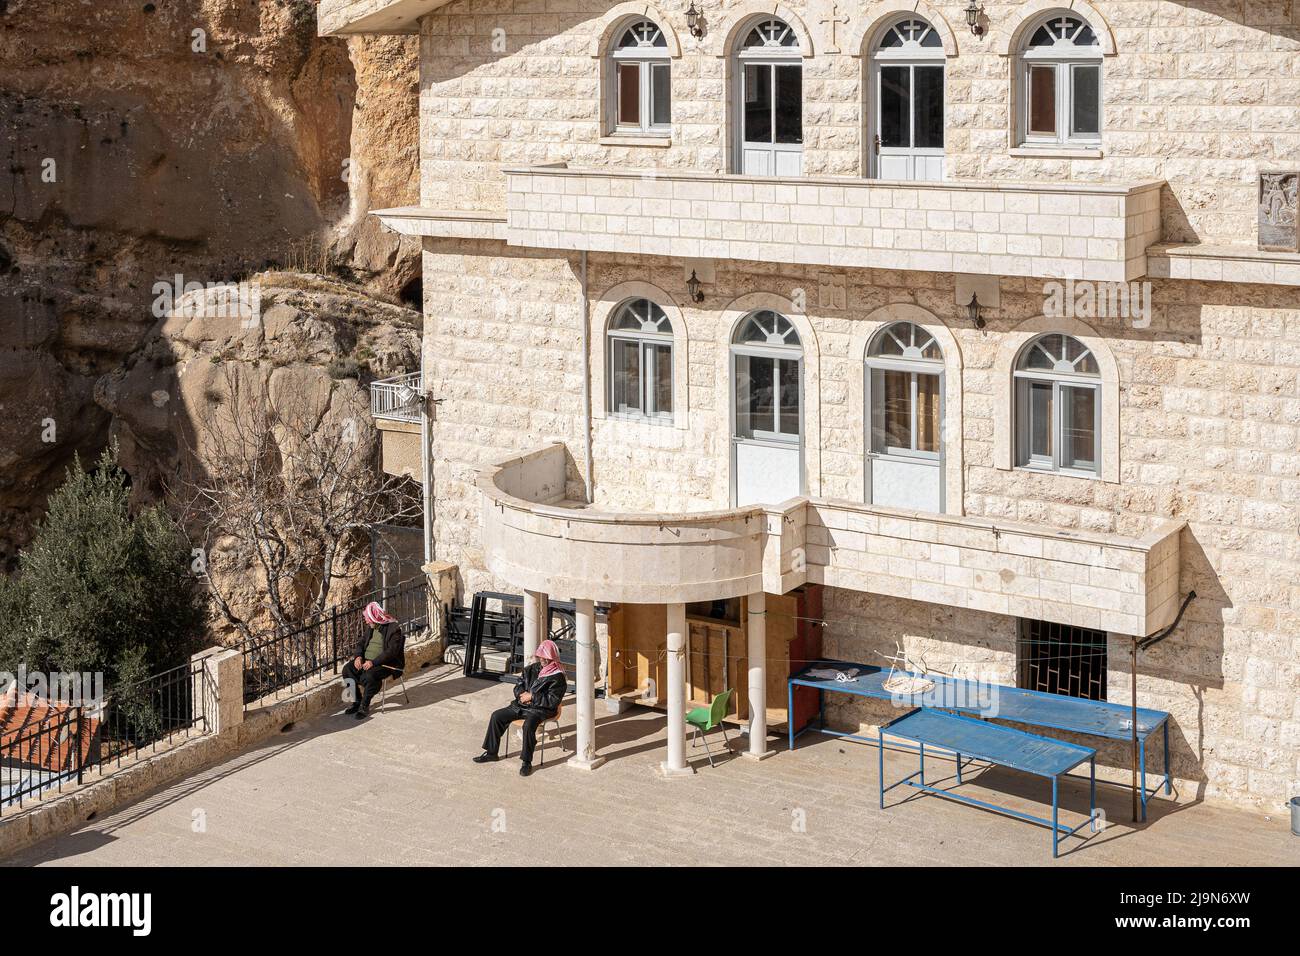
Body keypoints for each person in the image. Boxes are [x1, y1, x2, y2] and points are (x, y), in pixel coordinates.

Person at [474, 639, 566, 776]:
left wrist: (533, 697)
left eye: (546, 657)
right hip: (521, 705)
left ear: (552, 657)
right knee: (497, 716)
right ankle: (492, 753)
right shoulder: (531, 669)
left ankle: (526, 762)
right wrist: (521, 694)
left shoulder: (558, 677)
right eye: (541, 656)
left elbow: (552, 701)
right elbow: (518, 685)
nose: (543, 659)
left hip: (541, 710)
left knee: (528, 726)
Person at [342, 601, 405, 719]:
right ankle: (357, 702)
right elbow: (361, 643)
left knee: (369, 676)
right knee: (347, 670)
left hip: (385, 664)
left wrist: (373, 662)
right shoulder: (372, 627)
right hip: (366, 660)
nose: (366, 621)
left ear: (374, 617)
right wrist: (358, 657)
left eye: (367, 618)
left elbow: (391, 652)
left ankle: (364, 706)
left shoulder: (393, 629)